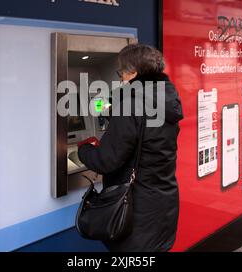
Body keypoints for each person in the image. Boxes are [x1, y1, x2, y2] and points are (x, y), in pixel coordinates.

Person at [77, 44, 184, 252]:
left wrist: (83, 148)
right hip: (162, 202)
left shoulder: (132, 104)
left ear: (134, 73)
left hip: (136, 210)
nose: (120, 78)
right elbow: (147, 140)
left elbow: (106, 160)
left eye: (122, 72)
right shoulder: (165, 99)